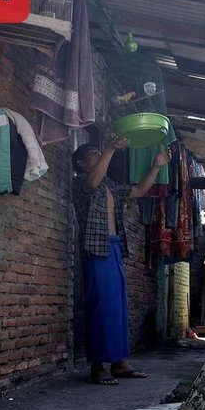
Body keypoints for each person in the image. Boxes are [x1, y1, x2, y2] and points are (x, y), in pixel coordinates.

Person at [72, 131, 170, 385]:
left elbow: (139, 190)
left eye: (98, 152)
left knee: (118, 307)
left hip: (114, 248)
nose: (98, 155)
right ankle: (97, 365)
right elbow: (92, 183)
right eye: (93, 154)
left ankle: (119, 362)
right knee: (99, 307)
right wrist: (110, 148)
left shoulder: (110, 186)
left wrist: (156, 167)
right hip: (96, 249)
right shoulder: (82, 182)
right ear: (82, 163)